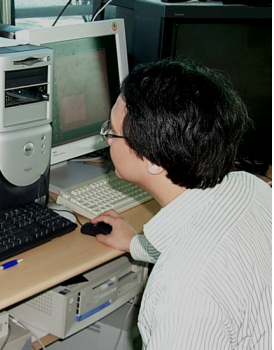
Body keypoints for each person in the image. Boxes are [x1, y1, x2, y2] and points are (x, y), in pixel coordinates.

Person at [92, 59, 272, 349]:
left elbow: (201, 267)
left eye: (111, 132)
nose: (107, 141)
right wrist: (135, 243)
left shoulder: (184, 293)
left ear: (152, 161)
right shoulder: (252, 188)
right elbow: (210, 245)